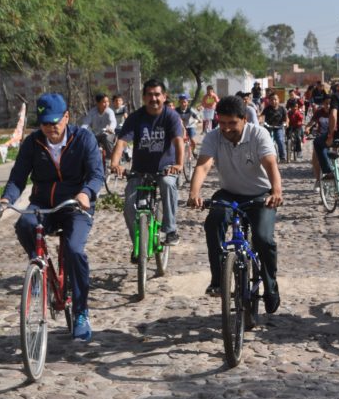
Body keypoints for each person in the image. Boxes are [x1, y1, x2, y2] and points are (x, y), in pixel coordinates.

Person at [0, 93, 103, 341]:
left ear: (66, 117)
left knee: (74, 251)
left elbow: (97, 174)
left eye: (54, 122)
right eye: (44, 123)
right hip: (43, 205)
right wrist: (6, 199)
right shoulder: (32, 143)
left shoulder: (83, 138)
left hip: (75, 206)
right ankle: (38, 266)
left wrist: (86, 193)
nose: (50, 128)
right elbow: (18, 177)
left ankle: (81, 312)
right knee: (24, 223)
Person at [187, 95, 283, 314]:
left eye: (232, 123)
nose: (227, 128)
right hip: (229, 193)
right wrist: (194, 193)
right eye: (222, 123)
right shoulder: (214, 137)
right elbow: (203, 166)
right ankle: (218, 279)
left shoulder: (258, 134)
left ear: (244, 119)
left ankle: (270, 284)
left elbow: (270, 165)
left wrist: (276, 191)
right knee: (214, 221)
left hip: (260, 195)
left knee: (263, 239)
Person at [110, 79, 185, 252]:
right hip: (140, 170)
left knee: (168, 184)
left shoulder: (171, 116)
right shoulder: (136, 117)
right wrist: (114, 163)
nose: (154, 98)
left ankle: (171, 230)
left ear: (164, 96)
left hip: (166, 168)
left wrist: (179, 164)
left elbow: (178, 141)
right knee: (129, 206)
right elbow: (122, 142)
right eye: (150, 95)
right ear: (144, 97)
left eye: (157, 94)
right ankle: (138, 245)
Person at [81, 93, 117, 158]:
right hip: (95, 134)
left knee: (107, 138)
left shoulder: (110, 112)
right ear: (98, 103)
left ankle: (110, 159)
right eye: (104, 102)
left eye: (107, 102)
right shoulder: (92, 112)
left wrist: (111, 128)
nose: (106, 104)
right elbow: (86, 123)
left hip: (107, 133)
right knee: (88, 141)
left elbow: (113, 122)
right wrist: (82, 130)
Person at [260, 91, 287, 162]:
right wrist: (259, 120)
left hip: (278, 127)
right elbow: (262, 116)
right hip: (268, 127)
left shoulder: (282, 109)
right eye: (271, 100)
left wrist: (286, 123)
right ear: (269, 101)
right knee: (266, 141)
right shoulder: (267, 108)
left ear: (278, 100)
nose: (273, 101)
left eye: (275, 99)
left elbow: (286, 119)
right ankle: (266, 155)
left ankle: (282, 156)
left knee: (280, 140)